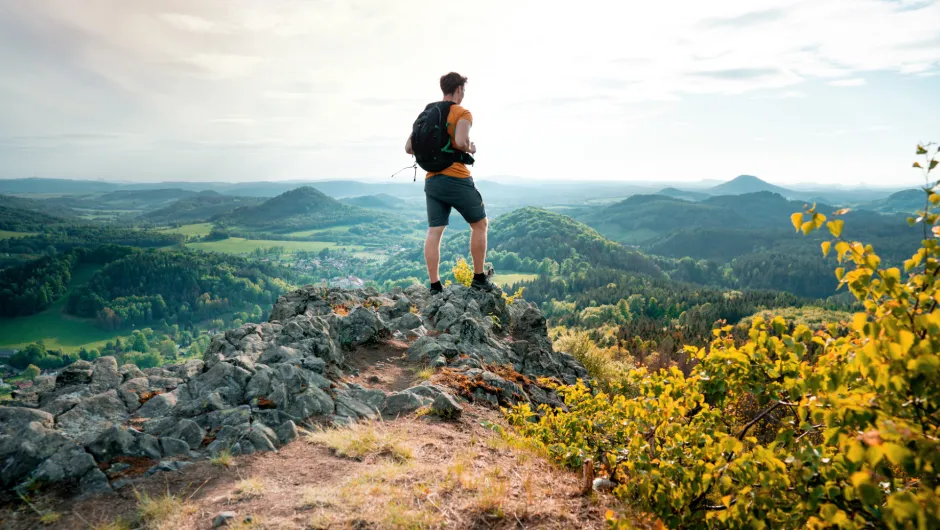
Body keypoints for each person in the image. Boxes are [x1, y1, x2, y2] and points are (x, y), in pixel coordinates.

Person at [406, 72, 496, 295]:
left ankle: (435, 286)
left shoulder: (428, 113)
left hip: (432, 180)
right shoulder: (462, 112)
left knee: (434, 231)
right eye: (463, 90)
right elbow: (458, 141)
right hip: (455, 177)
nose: (463, 94)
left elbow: (409, 148)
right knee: (480, 225)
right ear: (458, 90)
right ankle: (479, 278)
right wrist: (469, 148)